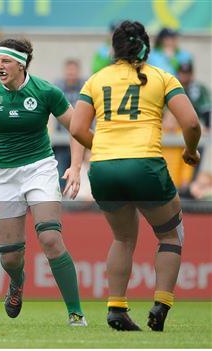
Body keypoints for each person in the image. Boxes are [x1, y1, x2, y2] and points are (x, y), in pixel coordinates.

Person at [70, 20, 201, 332]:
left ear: (115, 49)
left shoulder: (96, 79)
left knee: (123, 238)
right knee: (170, 235)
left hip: (103, 167)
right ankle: (161, 303)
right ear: (147, 47)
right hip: (144, 165)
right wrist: (191, 151)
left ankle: (116, 307)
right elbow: (192, 124)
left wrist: (101, 147)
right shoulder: (162, 77)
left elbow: (76, 128)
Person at [0, 38, 87, 326]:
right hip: (3, 175)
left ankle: (75, 312)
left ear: (20, 63)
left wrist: (76, 166)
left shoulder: (46, 91)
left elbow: (77, 128)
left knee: (50, 237)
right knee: (10, 258)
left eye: (4, 61)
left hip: (39, 169)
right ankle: (17, 283)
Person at [54, 59, 86, 190]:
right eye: (69, 71)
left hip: (79, 136)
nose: (71, 74)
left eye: (74, 71)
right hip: (61, 138)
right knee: (60, 172)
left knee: (81, 171)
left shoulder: (85, 86)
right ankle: (61, 198)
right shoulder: (58, 86)